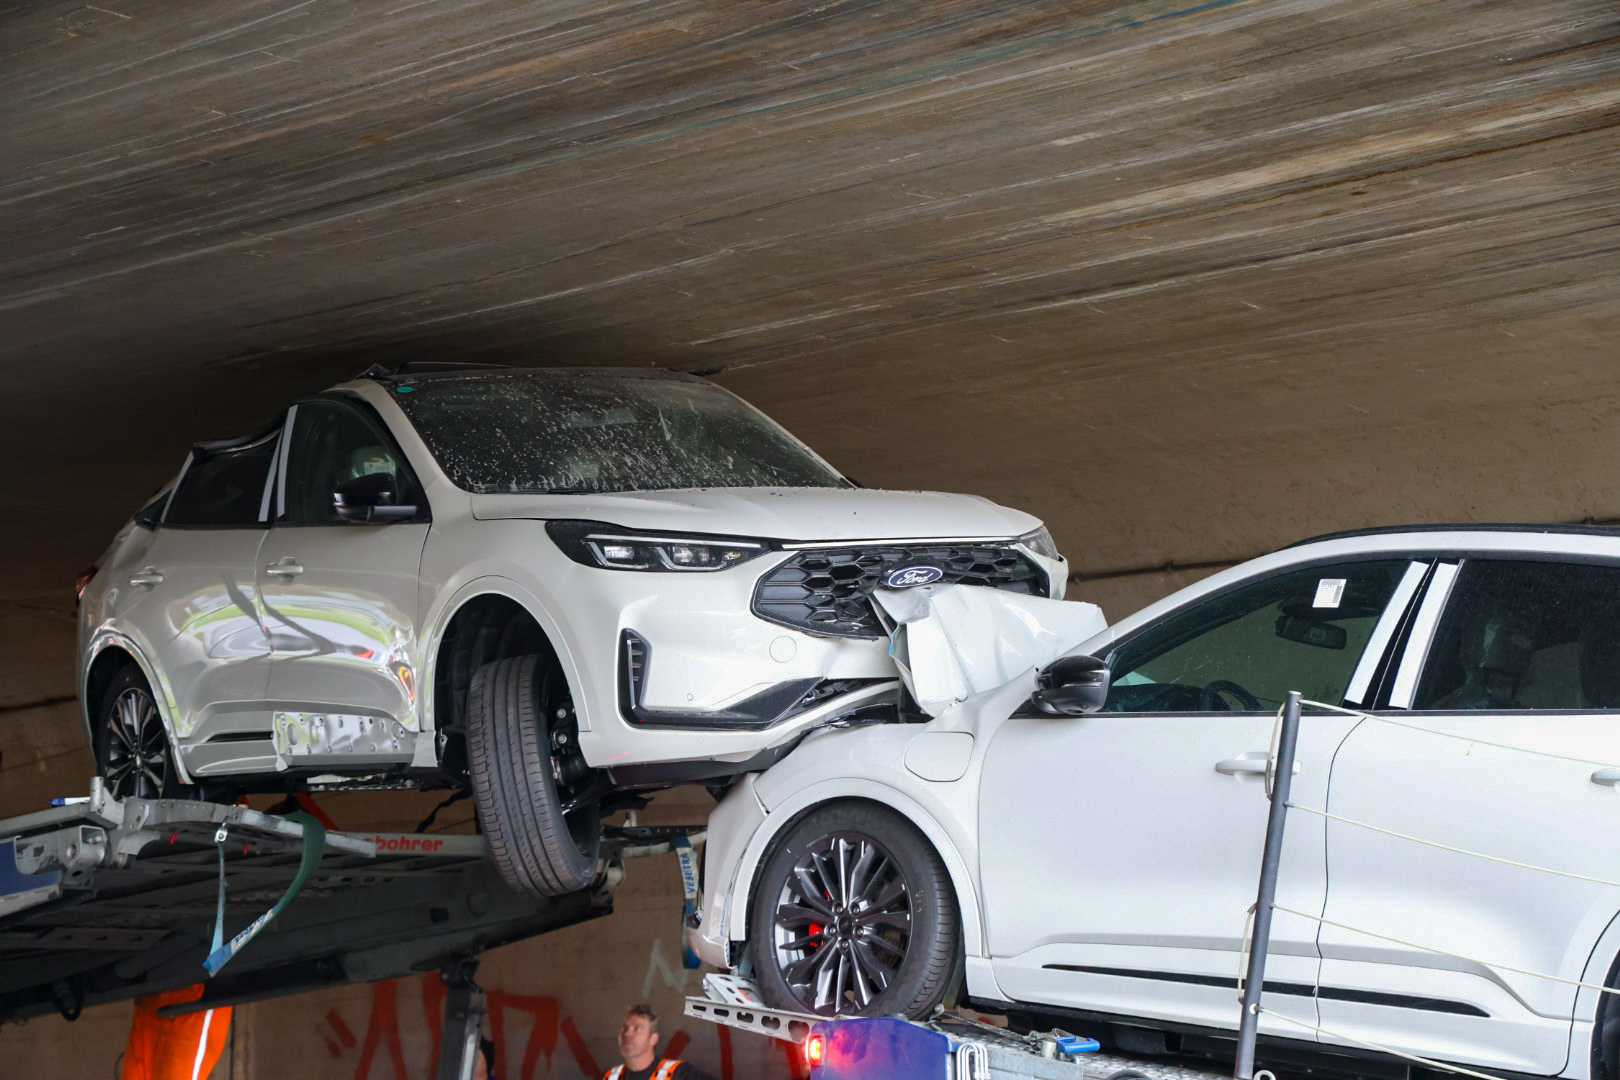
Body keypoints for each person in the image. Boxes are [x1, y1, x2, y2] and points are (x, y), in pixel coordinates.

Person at [602, 1005, 716, 1080]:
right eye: (625, 1028)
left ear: (653, 1039)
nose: (627, 1034)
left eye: (637, 1028)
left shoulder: (676, 1073)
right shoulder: (611, 1076)